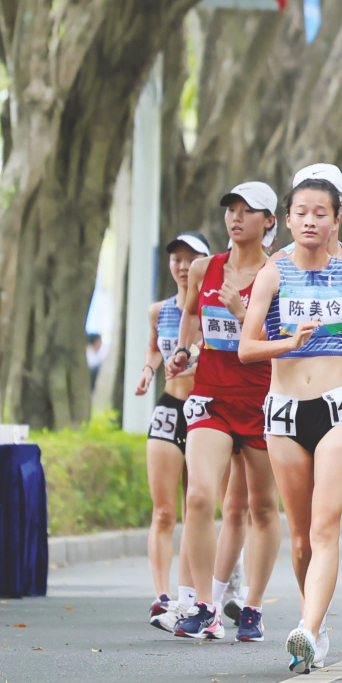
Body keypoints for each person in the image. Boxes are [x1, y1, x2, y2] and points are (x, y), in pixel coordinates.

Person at [239, 175, 342, 671]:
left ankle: (305, 628)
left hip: (338, 407)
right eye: (301, 212)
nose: (310, 220)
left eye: (320, 213)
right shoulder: (272, 273)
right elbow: (246, 348)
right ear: (286, 219)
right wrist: (289, 341)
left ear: (335, 219)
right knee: (302, 535)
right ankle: (317, 623)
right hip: (284, 409)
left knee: (326, 528)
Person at [164, 183, 281, 644]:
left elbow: (284, 335)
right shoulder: (204, 267)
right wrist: (183, 352)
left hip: (261, 397)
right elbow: (192, 317)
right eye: (231, 210)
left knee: (261, 506)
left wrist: (240, 312)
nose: (236, 218)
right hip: (211, 395)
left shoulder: (278, 272)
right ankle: (203, 606)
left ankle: (252, 607)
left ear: (269, 221)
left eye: (248, 211)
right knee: (197, 496)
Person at [135, 231, 212, 629]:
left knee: (195, 506)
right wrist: (148, 371)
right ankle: (161, 596)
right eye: (176, 260)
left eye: (190, 259)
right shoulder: (159, 310)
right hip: (169, 408)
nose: (182, 267)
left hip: (206, 412)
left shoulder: (214, 309)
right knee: (164, 510)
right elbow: (154, 347)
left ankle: (200, 598)